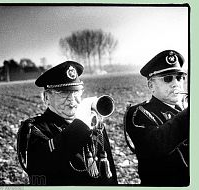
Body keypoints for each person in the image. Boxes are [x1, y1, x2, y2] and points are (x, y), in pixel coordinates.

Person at [17, 61, 117, 185]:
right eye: (63, 93)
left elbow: (110, 173)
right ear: (47, 98)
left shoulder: (93, 124)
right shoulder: (35, 129)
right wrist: (80, 126)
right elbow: (40, 167)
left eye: (76, 92)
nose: (72, 99)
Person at [124, 50, 189, 186]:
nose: (175, 83)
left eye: (179, 77)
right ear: (151, 86)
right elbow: (157, 145)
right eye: (167, 79)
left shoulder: (184, 109)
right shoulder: (137, 113)